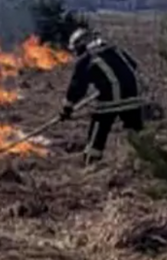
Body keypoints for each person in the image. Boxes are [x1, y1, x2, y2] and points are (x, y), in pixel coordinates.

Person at [58, 27, 147, 165]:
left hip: (111, 101)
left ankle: (91, 162)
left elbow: (77, 88)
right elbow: (132, 67)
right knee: (137, 132)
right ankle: (148, 161)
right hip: (134, 97)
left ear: (81, 45)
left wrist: (66, 109)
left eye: (76, 49)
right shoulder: (115, 49)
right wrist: (106, 85)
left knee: (98, 129)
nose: (76, 53)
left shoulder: (87, 58)